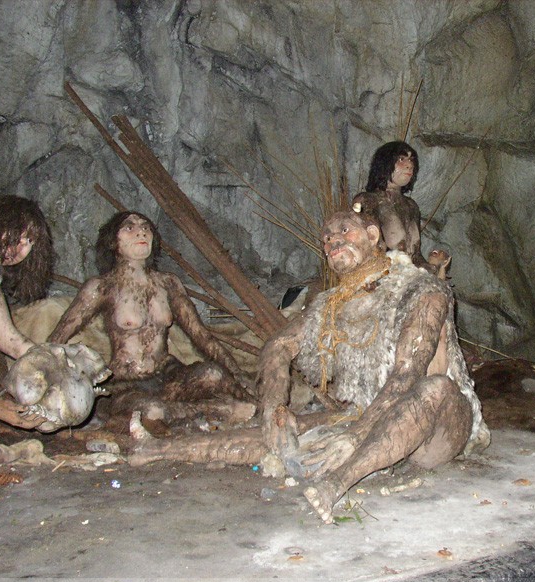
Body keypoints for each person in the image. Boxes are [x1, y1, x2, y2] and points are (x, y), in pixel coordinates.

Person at [259, 210, 490, 524]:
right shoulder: (331, 304)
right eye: (326, 238)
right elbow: (279, 345)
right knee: (259, 440)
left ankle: (338, 483)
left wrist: (356, 436)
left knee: (433, 388)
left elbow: (407, 375)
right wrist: (272, 408)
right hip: (371, 418)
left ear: (372, 236)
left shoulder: (420, 289)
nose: (333, 240)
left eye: (344, 230)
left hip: (437, 427)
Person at [49, 211, 249, 429]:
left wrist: (237, 375)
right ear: (113, 242)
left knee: (213, 374)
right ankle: (214, 411)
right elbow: (58, 337)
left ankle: (197, 411)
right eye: (129, 227)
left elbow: (201, 336)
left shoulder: (168, 284)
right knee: (151, 411)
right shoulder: (102, 287)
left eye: (146, 227)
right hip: (126, 382)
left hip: (169, 375)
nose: (141, 232)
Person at [0, 195, 53, 473]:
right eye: (16, 234)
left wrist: (57, 364)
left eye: (29, 241)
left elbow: (11, 341)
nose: (21, 247)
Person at [351, 141, 433, 271]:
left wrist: (431, 268)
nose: (410, 165)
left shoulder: (412, 206)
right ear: (385, 163)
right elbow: (367, 251)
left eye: (411, 159)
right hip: (383, 275)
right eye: (401, 159)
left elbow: (416, 255)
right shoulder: (367, 200)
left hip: (409, 275)